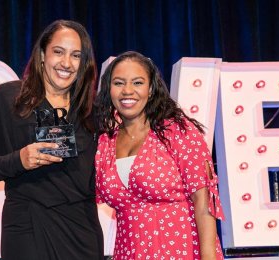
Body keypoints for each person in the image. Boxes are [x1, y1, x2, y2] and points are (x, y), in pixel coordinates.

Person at [0, 20, 104, 260]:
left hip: (81, 229)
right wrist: (19, 159)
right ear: (42, 54)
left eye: (76, 55)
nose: (66, 63)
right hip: (26, 227)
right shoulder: (8, 98)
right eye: (58, 52)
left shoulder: (93, 110)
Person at [95, 51, 225, 259]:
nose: (127, 91)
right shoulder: (104, 144)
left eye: (137, 83)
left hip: (180, 251)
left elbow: (204, 203)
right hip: (128, 253)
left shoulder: (178, 131)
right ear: (108, 89)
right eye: (118, 83)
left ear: (151, 88)